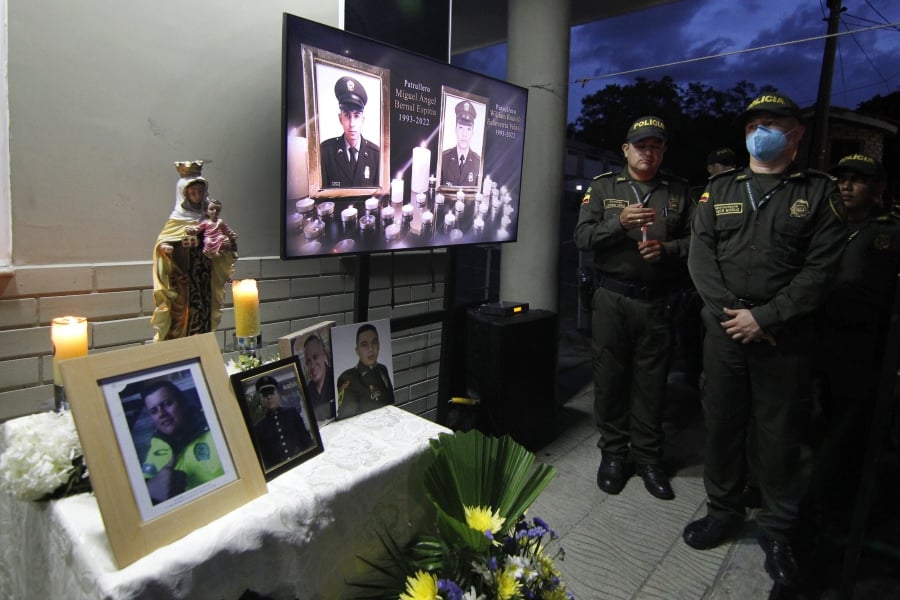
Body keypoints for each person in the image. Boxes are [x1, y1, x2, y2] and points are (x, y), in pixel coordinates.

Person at [682, 92, 847, 589]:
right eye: (755, 123)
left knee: (779, 437)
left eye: (773, 122)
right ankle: (724, 511)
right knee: (722, 426)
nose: (762, 130)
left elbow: (822, 270)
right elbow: (700, 257)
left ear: (795, 134)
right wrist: (732, 315)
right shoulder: (719, 188)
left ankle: (778, 531)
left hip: (784, 338)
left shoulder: (819, 193)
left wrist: (765, 317)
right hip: (725, 332)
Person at [573, 116, 693, 501]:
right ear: (626, 150)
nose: (648, 152)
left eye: (656, 145)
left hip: (657, 301)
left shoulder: (678, 191)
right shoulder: (604, 187)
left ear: (663, 151)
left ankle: (648, 458)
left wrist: (667, 250)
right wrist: (617, 222)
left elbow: (698, 243)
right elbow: (582, 237)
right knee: (609, 380)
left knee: (652, 384)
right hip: (612, 298)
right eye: (641, 145)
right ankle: (613, 454)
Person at [806, 154, 900, 555]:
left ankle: (841, 518)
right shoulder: (828, 226)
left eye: (858, 181)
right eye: (841, 179)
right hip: (821, 340)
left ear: (878, 189)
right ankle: (823, 504)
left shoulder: (892, 232)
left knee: (853, 434)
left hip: (866, 348)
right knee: (823, 423)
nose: (846, 186)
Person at [150, 161, 236, 341]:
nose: (197, 196)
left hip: (203, 279)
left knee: (203, 318)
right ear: (184, 194)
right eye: (192, 192)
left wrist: (225, 246)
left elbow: (219, 242)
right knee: (180, 321)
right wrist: (166, 250)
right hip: (182, 282)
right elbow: (162, 243)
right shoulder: (176, 221)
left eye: (200, 192)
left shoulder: (208, 219)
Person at [141, 380, 224, 504]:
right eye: (154, 411)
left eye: (167, 403)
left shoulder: (215, 428)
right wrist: (150, 492)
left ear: (183, 402)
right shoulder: (156, 447)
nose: (162, 414)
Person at [319, 76, 380, 189]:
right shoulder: (325, 152)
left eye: (356, 116)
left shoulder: (376, 155)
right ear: (340, 118)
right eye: (347, 115)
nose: (352, 123)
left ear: (363, 120)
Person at [252, 375, 314, 469]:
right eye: (265, 394)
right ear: (262, 400)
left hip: (302, 463)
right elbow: (265, 459)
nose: (269, 397)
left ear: (278, 395)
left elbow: (306, 440)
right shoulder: (259, 428)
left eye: (272, 393)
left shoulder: (292, 413)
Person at [336, 323, 395, 418]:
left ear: (379, 345)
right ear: (357, 351)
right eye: (364, 345)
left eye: (374, 342)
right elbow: (346, 419)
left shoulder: (382, 369)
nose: (371, 349)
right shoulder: (349, 378)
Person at [440, 100, 481, 187]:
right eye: (461, 127)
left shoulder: (478, 163)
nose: (464, 134)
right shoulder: (443, 158)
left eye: (468, 129)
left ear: (472, 133)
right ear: (455, 129)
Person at [296, 334, 336, 423]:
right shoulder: (307, 391)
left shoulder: (337, 377)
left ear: (323, 354)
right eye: (308, 361)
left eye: (315, 357)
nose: (312, 365)